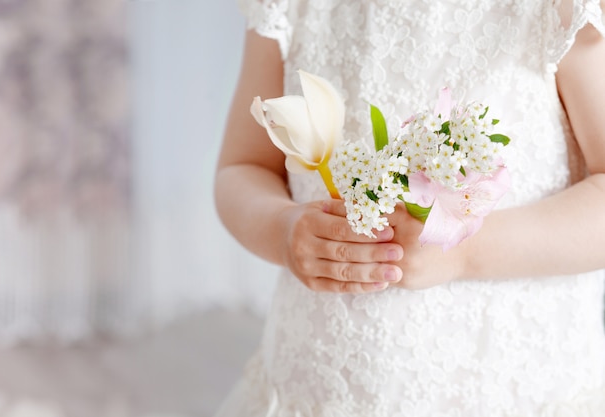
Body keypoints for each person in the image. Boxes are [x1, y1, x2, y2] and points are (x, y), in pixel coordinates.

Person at [214, 0, 605, 415]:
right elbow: (243, 167)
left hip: (520, 393)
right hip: (315, 391)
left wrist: (464, 252)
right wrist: (282, 228)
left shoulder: (560, 8)